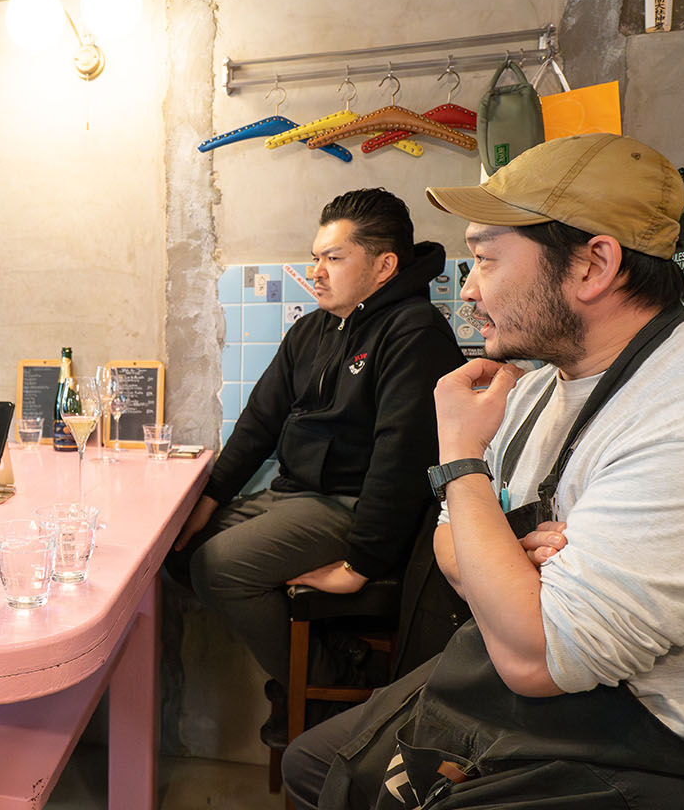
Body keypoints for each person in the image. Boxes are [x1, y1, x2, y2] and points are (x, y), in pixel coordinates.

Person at [283, 133, 684, 809]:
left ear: (593, 265)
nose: (469, 289)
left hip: (652, 742)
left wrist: (460, 460)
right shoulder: (533, 388)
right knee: (312, 763)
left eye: (484, 260)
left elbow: (538, 658)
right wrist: (511, 566)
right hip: (536, 693)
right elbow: (448, 541)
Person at [171, 188, 465, 743]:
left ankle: (326, 691)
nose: (316, 272)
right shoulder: (313, 330)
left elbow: (403, 457)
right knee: (176, 549)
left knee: (218, 565)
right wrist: (207, 500)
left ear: (384, 266)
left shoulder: (414, 331)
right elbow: (259, 422)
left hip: (350, 507)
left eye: (333, 257)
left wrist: (360, 565)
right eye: (316, 257)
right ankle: (321, 666)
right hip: (294, 496)